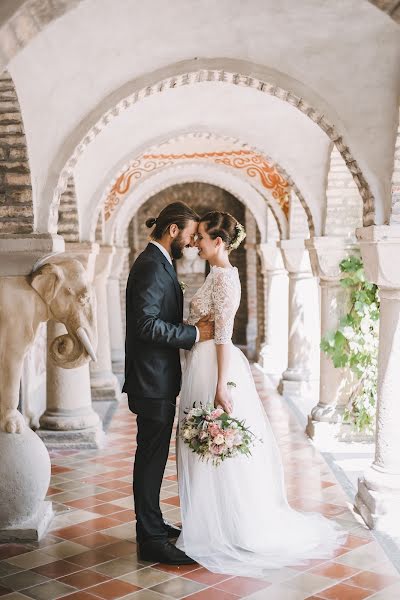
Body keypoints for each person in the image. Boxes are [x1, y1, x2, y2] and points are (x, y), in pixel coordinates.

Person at [175, 211, 346, 577]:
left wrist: (220, 385)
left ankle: (229, 526)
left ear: (219, 242)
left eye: (202, 237)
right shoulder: (219, 274)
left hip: (214, 367)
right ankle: (214, 520)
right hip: (203, 361)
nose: (196, 242)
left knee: (213, 442)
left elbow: (223, 335)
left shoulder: (223, 279)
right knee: (205, 445)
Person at [123, 202, 214, 565]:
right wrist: (192, 333)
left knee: (154, 457)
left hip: (157, 378)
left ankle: (154, 523)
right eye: (190, 236)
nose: (192, 243)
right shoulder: (149, 266)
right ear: (173, 231)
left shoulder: (159, 262)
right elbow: (145, 325)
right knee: (150, 459)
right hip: (150, 381)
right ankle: (150, 539)